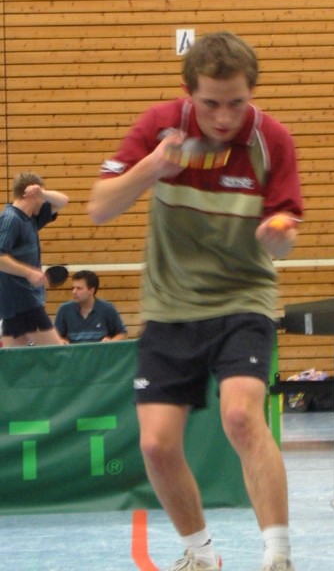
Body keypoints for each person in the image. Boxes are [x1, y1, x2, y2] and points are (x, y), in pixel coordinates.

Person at [88, 31, 302, 571]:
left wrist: (279, 232)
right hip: (170, 305)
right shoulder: (159, 125)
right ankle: (201, 554)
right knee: (156, 445)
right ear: (189, 94)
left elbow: (286, 224)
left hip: (242, 297)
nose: (224, 116)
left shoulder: (271, 139)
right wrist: (151, 168)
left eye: (236, 102)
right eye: (210, 103)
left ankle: (278, 556)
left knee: (241, 416)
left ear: (251, 93)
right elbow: (99, 208)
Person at [0, 172, 69, 347]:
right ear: (31, 196)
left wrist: (42, 193)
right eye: (41, 198)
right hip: (23, 300)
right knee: (57, 354)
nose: (44, 201)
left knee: (16, 361)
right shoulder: (11, 219)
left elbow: (63, 201)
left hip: (14, 305)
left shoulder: (31, 219)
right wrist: (29, 272)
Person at [55, 269, 128, 343]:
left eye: (79, 288)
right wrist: (62, 342)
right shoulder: (64, 310)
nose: (74, 292)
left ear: (91, 291)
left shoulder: (107, 309)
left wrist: (110, 343)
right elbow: (56, 337)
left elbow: (122, 333)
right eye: (73, 288)